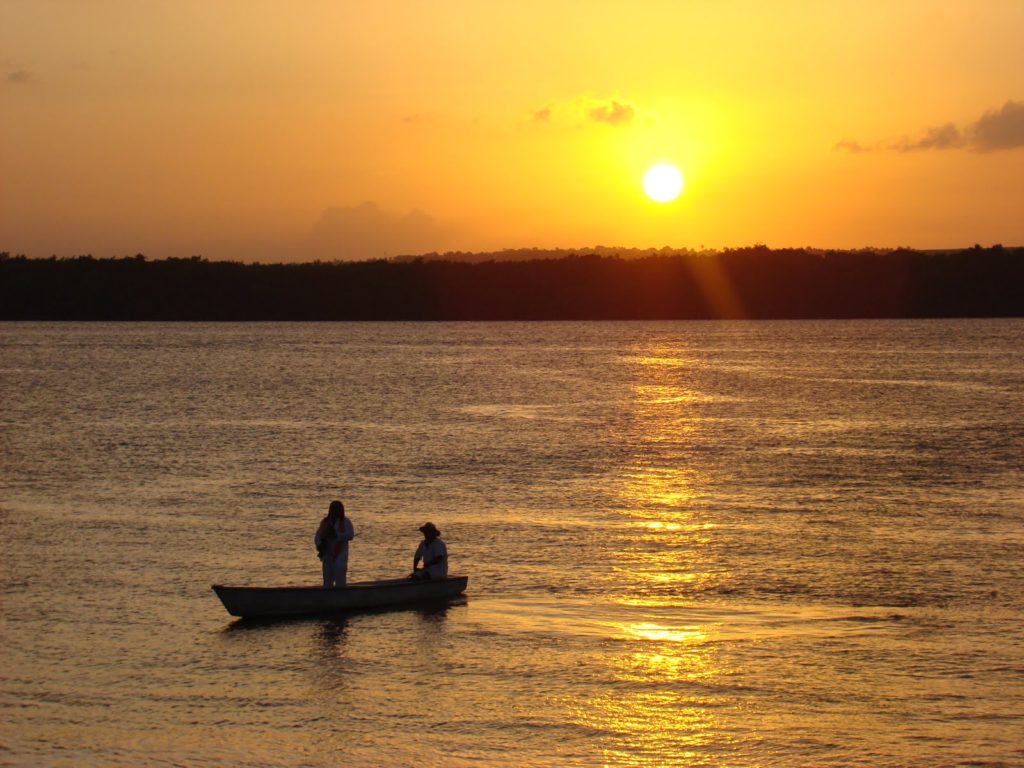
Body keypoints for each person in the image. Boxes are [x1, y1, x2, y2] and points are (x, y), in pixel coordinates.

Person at [314, 500, 354, 588]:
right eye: (333, 508)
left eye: (337, 508)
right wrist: (320, 546)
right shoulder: (325, 522)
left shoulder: (346, 522)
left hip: (340, 555)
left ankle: (341, 598)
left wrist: (337, 535)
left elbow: (350, 535)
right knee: (327, 580)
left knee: (340, 580)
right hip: (327, 555)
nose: (335, 510)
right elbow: (318, 536)